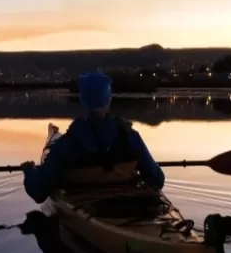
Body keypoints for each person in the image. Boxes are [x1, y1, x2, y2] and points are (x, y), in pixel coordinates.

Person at [22, 71, 164, 204]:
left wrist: (29, 171)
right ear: (109, 99)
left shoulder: (66, 145)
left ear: (83, 101)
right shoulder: (131, 138)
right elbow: (157, 180)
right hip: (128, 205)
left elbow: (38, 192)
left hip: (83, 205)